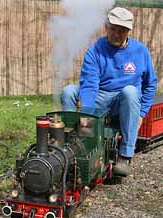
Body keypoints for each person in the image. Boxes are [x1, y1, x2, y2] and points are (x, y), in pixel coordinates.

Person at [61, 7, 157, 176]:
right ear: (106, 27)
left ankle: (125, 155)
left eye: (121, 31)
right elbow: (89, 83)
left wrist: (141, 114)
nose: (116, 34)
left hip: (123, 100)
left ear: (128, 31)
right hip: (99, 95)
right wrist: (87, 115)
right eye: (113, 29)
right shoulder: (96, 49)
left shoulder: (140, 51)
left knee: (131, 91)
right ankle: (72, 145)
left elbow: (150, 85)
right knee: (68, 91)